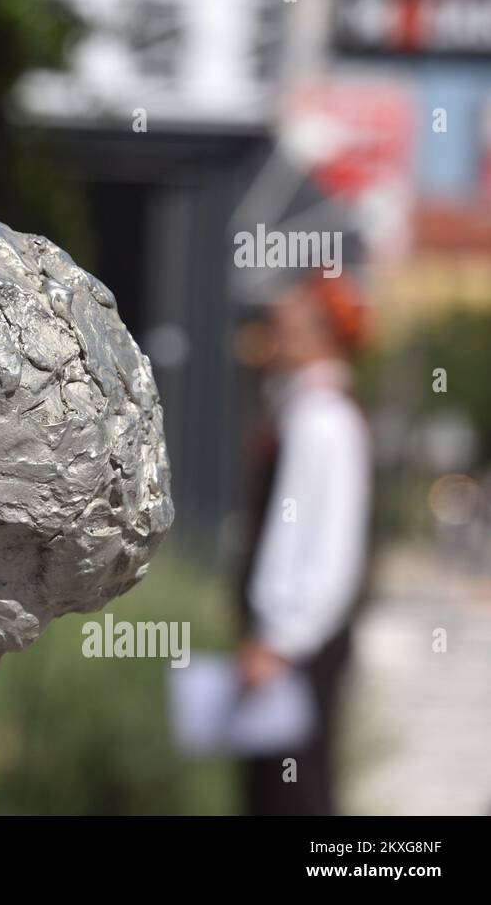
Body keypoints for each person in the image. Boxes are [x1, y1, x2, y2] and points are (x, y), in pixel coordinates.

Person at [236, 272, 372, 815]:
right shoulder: (304, 412)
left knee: (293, 795)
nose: (273, 338)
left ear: (319, 335)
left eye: (285, 326)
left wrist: (280, 639)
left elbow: (324, 548)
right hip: (290, 644)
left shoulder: (322, 421)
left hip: (295, 648)